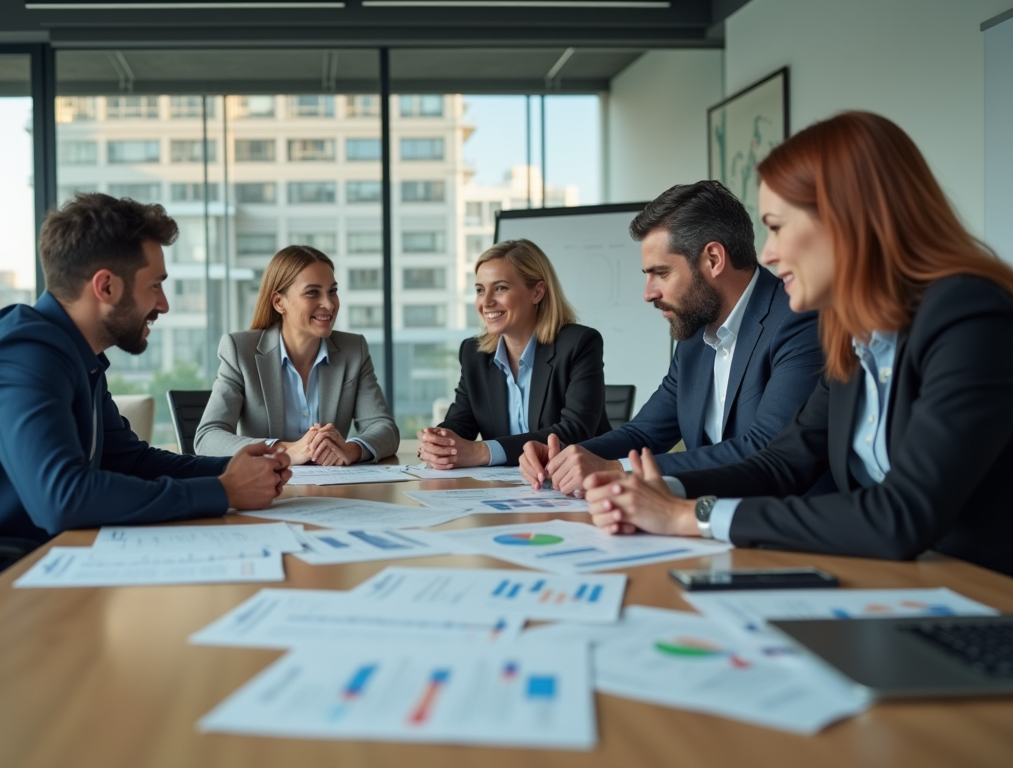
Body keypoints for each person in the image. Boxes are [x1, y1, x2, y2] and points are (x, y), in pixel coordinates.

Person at [584, 111, 1013, 577]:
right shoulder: (851, 331)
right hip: (894, 582)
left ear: (845, 219)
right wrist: (661, 491)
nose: (766, 253)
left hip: (978, 598)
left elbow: (901, 513)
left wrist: (690, 516)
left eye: (777, 226)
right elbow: (780, 464)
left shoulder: (969, 315)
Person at [0, 193, 292, 610]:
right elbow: (62, 498)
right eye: (155, 286)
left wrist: (238, 471)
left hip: (16, 576)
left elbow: (131, 461)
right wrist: (223, 490)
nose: (163, 304)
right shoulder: (22, 353)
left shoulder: (73, 355)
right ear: (106, 286)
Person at [520, 180, 825, 496]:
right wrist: (568, 454)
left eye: (661, 273)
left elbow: (765, 449)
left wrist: (615, 469)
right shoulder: (695, 336)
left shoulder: (798, 319)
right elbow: (644, 433)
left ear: (714, 260)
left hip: (784, 532)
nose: (648, 293)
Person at [194, 245, 399, 464]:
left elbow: (384, 428)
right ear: (279, 302)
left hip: (334, 491)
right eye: (312, 292)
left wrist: (353, 449)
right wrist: (285, 450)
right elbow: (207, 437)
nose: (329, 304)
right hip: (268, 490)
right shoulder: (240, 351)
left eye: (332, 291)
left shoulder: (353, 349)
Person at [417, 239, 610, 468]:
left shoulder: (579, 344)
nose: (486, 302)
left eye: (500, 288)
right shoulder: (474, 354)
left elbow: (574, 432)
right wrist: (440, 441)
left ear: (537, 292)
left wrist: (482, 451)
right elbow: (462, 421)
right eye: (480, 290)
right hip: (505, 488)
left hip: (572, 484)